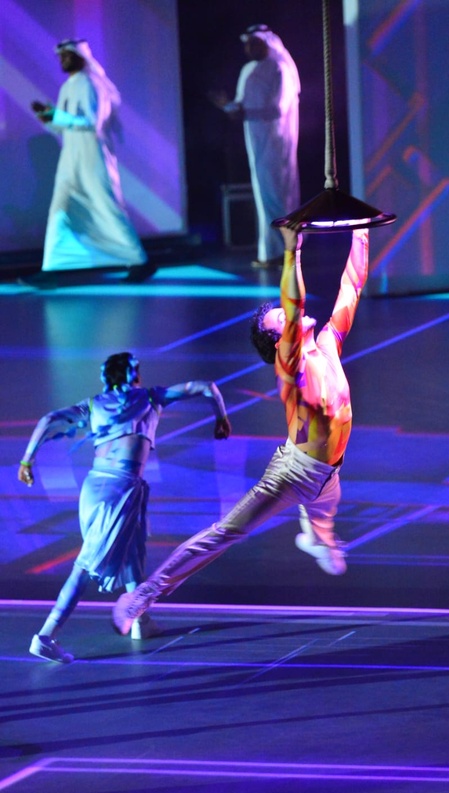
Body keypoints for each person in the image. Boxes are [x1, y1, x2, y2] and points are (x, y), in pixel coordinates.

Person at [112, 225, 369, 634]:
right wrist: (293, 250)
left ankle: (317, 538)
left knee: (324, 530)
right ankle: (142, 595)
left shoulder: (328, 345)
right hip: (293, 475)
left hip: (329, 476)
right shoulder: (291, 368)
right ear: (278, 339)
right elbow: (294, 304)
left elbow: (351, 287)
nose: (290, 314)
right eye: (281, 319)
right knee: (225, 533)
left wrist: (361, 234)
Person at [18, 352, 231, 663]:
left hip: (95, 487)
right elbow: (206, 387)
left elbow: (49, 419)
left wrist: (27, 460)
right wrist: (221, 417)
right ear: (135, 374)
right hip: (118, 490)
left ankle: (141, 621)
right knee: (87, 564)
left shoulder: (93, 405)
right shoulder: (151, 397)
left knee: (131, 553)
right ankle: (46, 635)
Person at [26, 39, 153, 285]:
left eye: (67, 55)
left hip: (92, 156)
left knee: (106, 208)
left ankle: (140, 261)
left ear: (80, 57)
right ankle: (51, 268)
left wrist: (56, 115)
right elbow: (64, 125)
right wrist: (48, 117)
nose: (62, 60)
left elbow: (91, 122)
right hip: (71, 158)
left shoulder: (91, 83)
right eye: (60, 57)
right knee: (60, 210)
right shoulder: (68, 86)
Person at [211, 24, 300, 269]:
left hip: (276, 143)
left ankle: (286, 251)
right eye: (248, 44)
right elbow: (240, 106)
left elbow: (278, 109)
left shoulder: (280, 68)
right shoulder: (248, 70)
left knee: (276, 195)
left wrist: (245, 112)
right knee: (264, 196)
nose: (250, 48)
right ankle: (271, 252)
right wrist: (227, 106)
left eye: (255, 43)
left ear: (267, 43)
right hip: (256, 141)